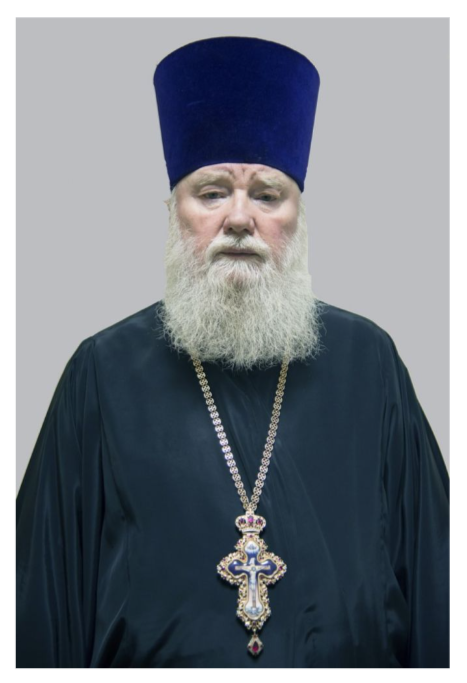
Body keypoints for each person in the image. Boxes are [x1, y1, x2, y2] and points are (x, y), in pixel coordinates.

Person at [16, 36, 449, 668]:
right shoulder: (101, 372)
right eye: (213, 192)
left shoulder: (370, 363)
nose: (240, 219)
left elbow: (442, 597)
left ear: (298, 217)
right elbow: (40, 611)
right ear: (175, 213)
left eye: (267, 195)